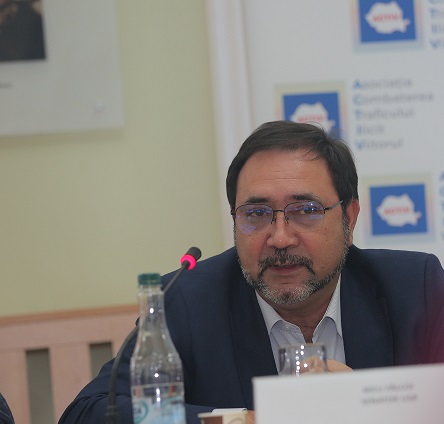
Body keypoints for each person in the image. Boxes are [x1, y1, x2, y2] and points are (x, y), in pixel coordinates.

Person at [59, 121, 444, 424]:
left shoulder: (414, 288)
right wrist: (249, 421)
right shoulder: (187, 301)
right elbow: (87, 413)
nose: (280, 238)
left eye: (305, 211)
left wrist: (367, 408)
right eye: (256, 214)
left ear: (350, 216)